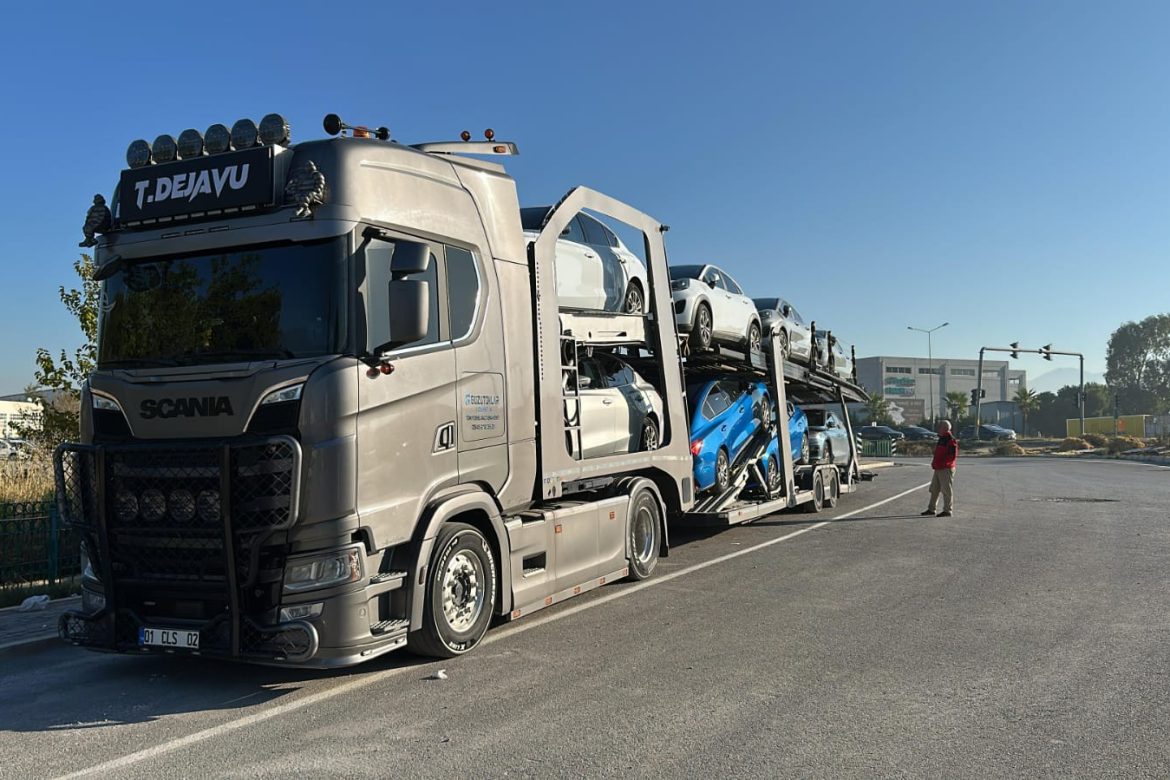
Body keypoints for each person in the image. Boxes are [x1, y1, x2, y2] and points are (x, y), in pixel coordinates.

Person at [922, 419, 958, 517]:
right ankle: (931, 509)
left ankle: (947, 510)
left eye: (940, 427)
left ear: (945, 428)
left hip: (945, 468)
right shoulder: (942, 438)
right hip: (938, 468)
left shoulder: (951, 440)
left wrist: (941, 464)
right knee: (934, 489)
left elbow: (952, 456)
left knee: (946, 490)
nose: (938, 428)